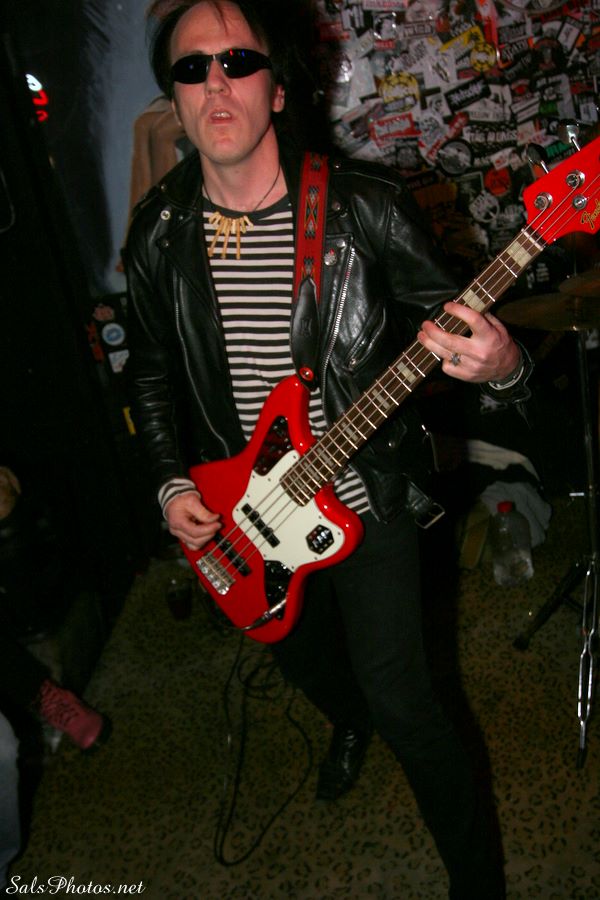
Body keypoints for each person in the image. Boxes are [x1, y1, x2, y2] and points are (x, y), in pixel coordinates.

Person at [125, 2, 532, 895]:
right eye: (192, 69)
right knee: (299, 656)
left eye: (238, 62)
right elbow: (148, 371)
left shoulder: (363, 208)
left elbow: (464, 330)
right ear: (174, 100)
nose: (216, 84)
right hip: (241, 510)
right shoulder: (159, 231)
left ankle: (478, 881)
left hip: (365, 498)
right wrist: (167, 484)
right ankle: (345, 719)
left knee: (406, 703)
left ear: (278, 89)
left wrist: (503, 365)